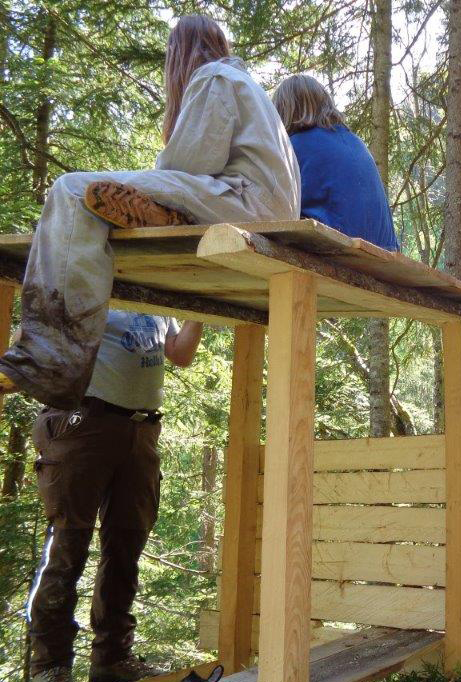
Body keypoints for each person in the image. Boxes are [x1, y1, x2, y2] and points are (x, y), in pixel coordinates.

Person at [0, 15, 300, 410]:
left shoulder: (214, 77)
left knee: (72, 189)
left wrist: (152, 185)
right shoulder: (245, 85)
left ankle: (50, 355)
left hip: (242, 202)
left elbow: (186, 163)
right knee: (99, 193)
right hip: (249, 203)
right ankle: (54, 352)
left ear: (180, 53)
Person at [27, 311, 203, 682]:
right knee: (67, 544)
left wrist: (200, 311)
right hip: (82, 421)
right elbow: (33, 334)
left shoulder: (159, 295)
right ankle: (50, 665)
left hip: (140, 430)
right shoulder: (88, 282)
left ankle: (112, 659)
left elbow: (180, 353)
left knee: (126, 543)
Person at [271, 74, 400, 251]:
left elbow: (273, 208)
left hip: (338, 250)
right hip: (384, 251)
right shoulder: (356, 142)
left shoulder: (296, 146)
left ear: (284, 111)